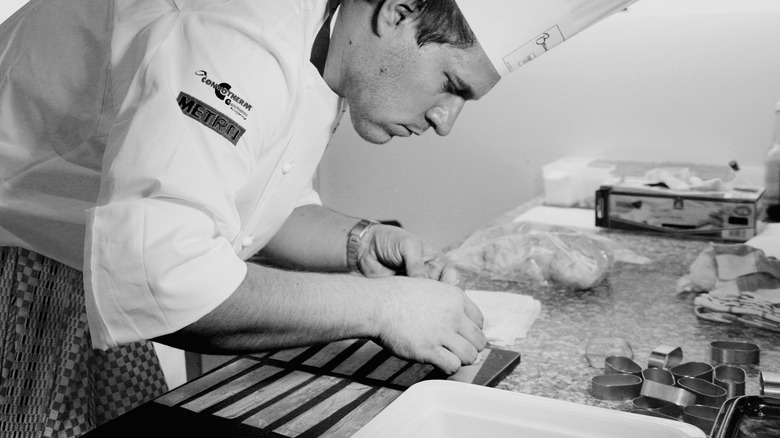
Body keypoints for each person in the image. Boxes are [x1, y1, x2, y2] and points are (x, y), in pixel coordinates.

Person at [0, 0, 635, 436]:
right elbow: (163, 275)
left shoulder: (318, 42)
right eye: (451, 84)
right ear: (396, 13)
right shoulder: (233, 30)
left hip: (78, 270)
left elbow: (249, 211)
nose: (446, 120)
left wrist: (360, 242)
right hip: (19, 270)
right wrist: (384, 309)